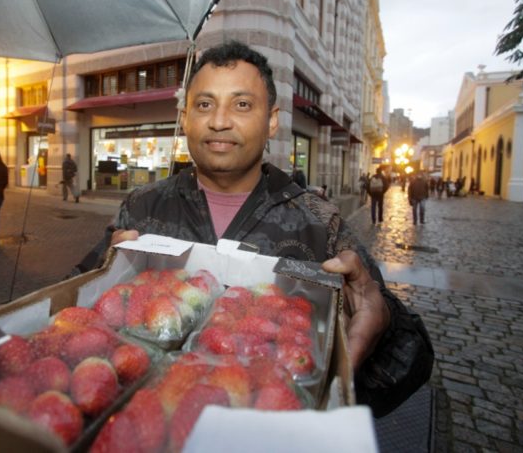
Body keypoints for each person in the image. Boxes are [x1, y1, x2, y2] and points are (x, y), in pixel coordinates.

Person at [73, 41, 433, 417]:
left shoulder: (317, 220)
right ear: (185, 117)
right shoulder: (142, 206)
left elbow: (416, 355)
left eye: (242, 104)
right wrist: (104, 275)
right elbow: (71, 299)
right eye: (204, 104)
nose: (219, 121)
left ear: (272, 120)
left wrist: (382, 320)